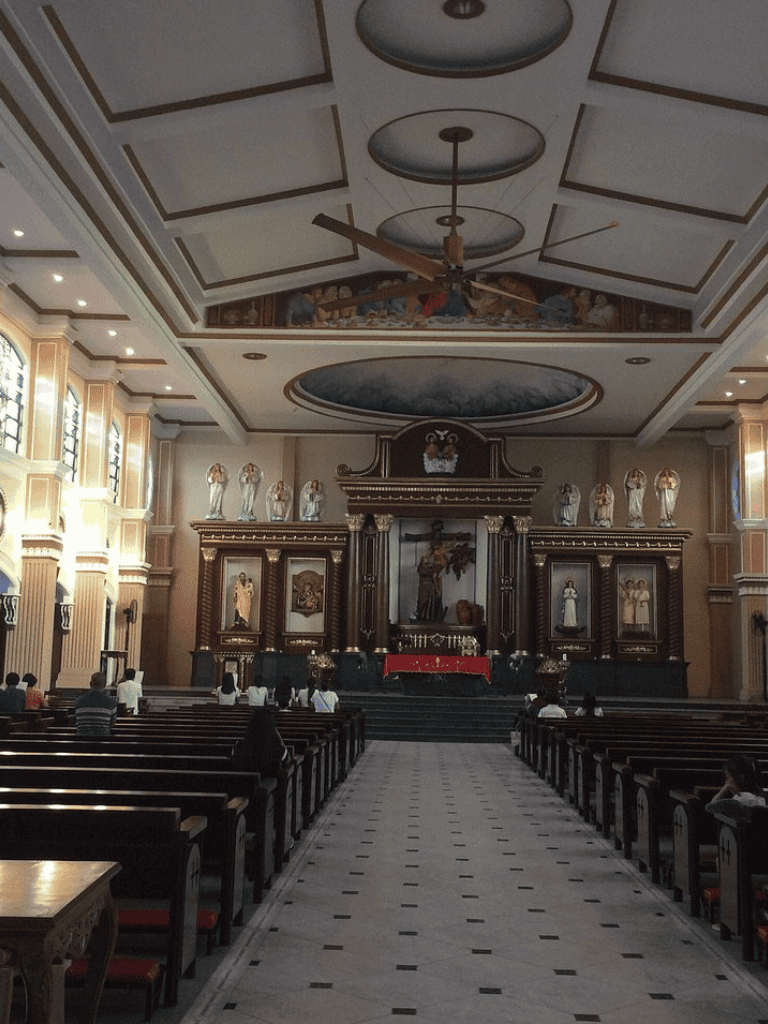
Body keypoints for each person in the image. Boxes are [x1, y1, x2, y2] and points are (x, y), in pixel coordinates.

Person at [233, 707, 289, 775]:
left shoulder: (238, 747)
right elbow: (287, 760)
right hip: (270, 784)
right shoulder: (278, 749)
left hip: (244, 784)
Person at [74, 671, 118, 736]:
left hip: (82, 743)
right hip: (103, 742)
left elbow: (76, 721)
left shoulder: (79, 701)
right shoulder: (112, 702)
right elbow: (112, 724)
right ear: (104, 685)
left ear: (90, 684)